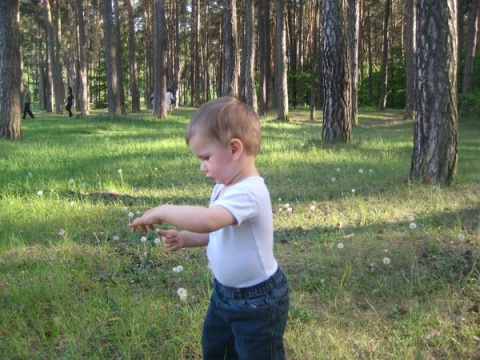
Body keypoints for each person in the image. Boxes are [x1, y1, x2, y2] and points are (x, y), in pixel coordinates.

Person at [129, 97, 289, 359]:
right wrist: (185, 238)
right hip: (223, 295)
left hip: (258, 303)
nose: (202, 167)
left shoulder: (250, 191)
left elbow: (209, 220)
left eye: (206, 157)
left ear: (234, 149)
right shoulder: (223, 187)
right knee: (216, 350)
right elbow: (216, 232)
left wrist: (163, 209)